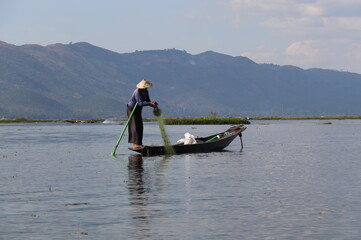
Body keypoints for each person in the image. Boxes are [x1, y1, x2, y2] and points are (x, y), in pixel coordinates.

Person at [127, 79, 158, 149]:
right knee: (135, 126)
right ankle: (135, 144)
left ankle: (139, 143)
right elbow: (140, 103)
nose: (146, 88)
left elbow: (147, 100)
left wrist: (152, 104)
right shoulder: (137, 92)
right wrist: (150, 103)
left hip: (138, 109)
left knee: (140, 126)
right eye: (145, 87)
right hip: (132, 109)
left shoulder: (145, 91)